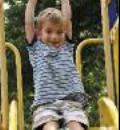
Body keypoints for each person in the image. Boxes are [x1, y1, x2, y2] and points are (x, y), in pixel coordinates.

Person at [25, 0, 89, 130]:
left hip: (71, 102)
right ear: (38, 34)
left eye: (59, 32)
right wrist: (32, 3)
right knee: (50, 126)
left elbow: (67, 19)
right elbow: (28, 23)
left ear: (64, 33)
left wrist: (65, 2)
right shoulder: (36, 48)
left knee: (76, 125)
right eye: (49, 31)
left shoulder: (66, 46)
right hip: (45, 104)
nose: (54, 36)